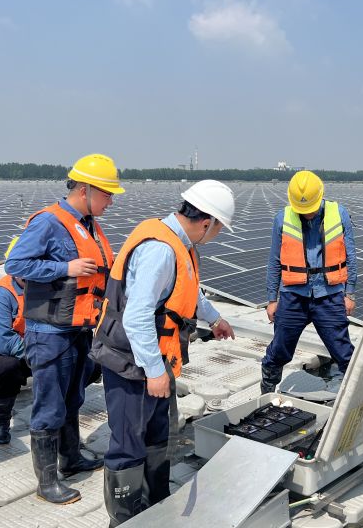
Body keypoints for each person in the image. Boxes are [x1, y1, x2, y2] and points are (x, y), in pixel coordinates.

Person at [90, 180, 236, 526]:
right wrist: (154, 371)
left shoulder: (179, 244)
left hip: (156, 359)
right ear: (207, 223)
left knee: (158, 436)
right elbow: (137, 316)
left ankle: (156, 506)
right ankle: (124, 519)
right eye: (219, 229)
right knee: (128, 444)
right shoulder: (160, 250)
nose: (216, 235)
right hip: (131, 362)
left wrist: (215, 319)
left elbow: (188, 291)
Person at [6, 153, 123, 504]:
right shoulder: (49, 222)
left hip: (79, 329)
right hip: (49, 333)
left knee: (73, 399)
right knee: (50, 406)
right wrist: (64, 269)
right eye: (107, 194)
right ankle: (47, 483)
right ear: (85, 190)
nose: (111, 202)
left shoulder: (89, 224)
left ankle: (71, 459)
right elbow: (16, 264)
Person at [262, 170, 357, 394]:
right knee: (279, 350)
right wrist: (271, 299)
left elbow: (351, 256)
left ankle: (355, 397)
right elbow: (274, 261)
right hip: (293, 295)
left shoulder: (339, 213)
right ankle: (267, 389)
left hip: (329, 294)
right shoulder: (282, 218)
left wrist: (350, 293)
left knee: (343, 352)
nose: (307, 213)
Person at [0, 237, 32, 445]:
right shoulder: (4, 293)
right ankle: (1, 421)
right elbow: (4, 339)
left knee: (88, 362)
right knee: (4, 369)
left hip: (47, 345)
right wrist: (35, 354)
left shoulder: (51, 285)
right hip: (17, 349)